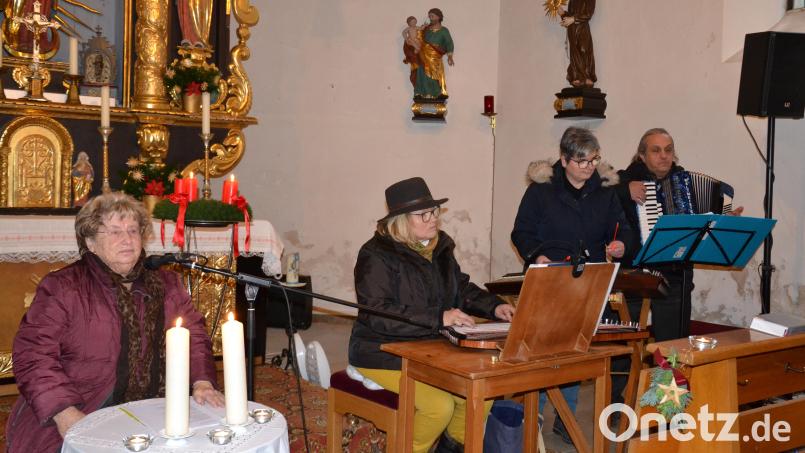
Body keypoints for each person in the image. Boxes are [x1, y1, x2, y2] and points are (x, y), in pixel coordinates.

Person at [5, 192, 224, 453]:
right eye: (114, 231)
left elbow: (194, 335)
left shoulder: (166, 284)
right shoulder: (64, 287)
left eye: (133, 230)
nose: (127, 239)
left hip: (155, 406)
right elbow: (34, 355)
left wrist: (202, 382)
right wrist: (65, 413)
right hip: (81, 406)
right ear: (90, 241)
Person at [349, 177, 515, 453]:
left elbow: (459, 287)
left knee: (480, 397)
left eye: (435, 211)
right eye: (423, 214)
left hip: (430, 346)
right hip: (380, 350)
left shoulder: (439, 247)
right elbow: (378, 313)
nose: (433, 219)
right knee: (438, 407)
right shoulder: (375, 255)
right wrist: (440, 318)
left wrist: (494, 306)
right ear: (401, 220)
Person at [511, 126, 635, 443]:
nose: (589, 167)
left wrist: (620, 243)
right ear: (564, 160)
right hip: (549, 277)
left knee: (574, 350)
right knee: (540, 350)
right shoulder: (541, 191)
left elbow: (624, 230)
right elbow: (521, 232)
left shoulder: (605, 191)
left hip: (587, 279)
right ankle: (533, 416)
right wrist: (536, 256)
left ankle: (564, 420)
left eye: (593, 160)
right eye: (581, 161)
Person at [614, 128, 743, 342]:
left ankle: (666, 377)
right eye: (656, 151)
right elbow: (596, 195)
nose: (664, 156)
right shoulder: (624, 179)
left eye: (668, 150)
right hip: (633, 272)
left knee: (672, 345)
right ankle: (626, 377)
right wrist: (624, 189)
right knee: (625, 344)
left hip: (675, 274)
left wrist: (726, 222)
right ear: (641, 156)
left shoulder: (686, 182)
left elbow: (705, 226)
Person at [412, 8, 454, 99]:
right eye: (429, 16)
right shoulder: (426, 29)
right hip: (423, 55)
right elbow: (419, 39)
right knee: (422, 73)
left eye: (432, 16)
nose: (430, 18)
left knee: (434, 76)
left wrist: (450, 56)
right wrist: (420, 31)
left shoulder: (444, 31)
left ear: (438, 17)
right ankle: (421, 92)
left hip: (435, 57)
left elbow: (449, 43)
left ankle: (435, 93)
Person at [559, 0, 597, 88]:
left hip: (582, 29)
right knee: (574, 53)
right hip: (572, 30)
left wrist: (573, 19)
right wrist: (562, 14)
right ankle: (577, 76)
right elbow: (570, 16)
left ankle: (587, 77)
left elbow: (588, 14)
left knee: (584, 50)